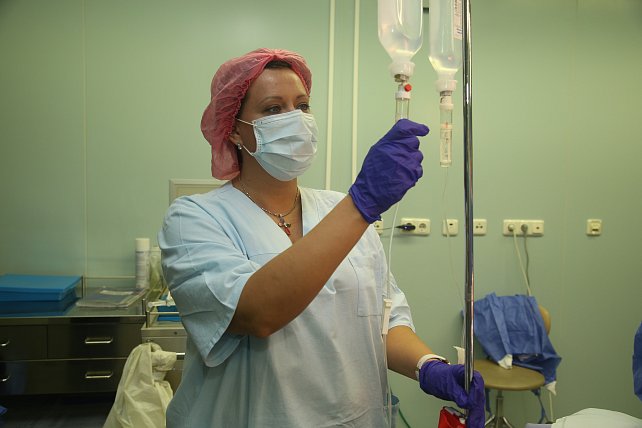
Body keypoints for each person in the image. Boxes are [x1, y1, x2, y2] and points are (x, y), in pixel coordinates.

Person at [158, 48, 484, 428]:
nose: (295, 119)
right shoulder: (195, 218)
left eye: (302, 106)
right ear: (233, 128)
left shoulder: (338, 210)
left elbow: (383, 320)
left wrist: (428, 366)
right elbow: (257, 312)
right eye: (273, 109)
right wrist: (360, 206)